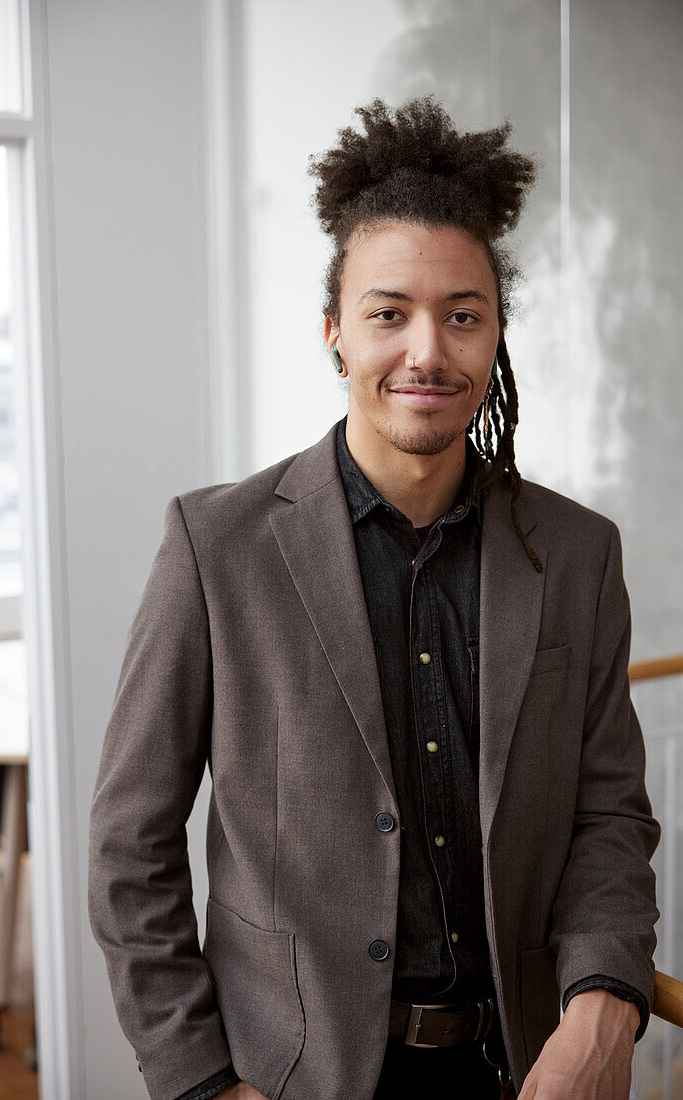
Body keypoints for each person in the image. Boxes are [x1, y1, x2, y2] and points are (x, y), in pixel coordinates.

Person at [88, 95, 661, 1100]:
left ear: (494, 337)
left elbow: (606, 812)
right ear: (335, 334)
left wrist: (602, 1002)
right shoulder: (213, 544)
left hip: (522, 1063)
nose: (427, 352)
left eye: (462, 315)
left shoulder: (577, 552)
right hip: (291, 1072)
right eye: (388, 313)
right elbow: (129, 845)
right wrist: (198, 1078)